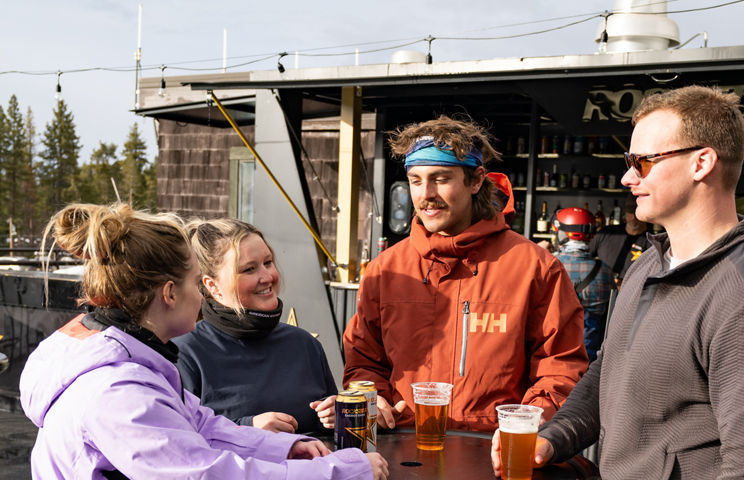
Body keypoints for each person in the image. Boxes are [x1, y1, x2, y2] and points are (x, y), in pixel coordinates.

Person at [493, 86, 744, 478]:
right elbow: (608, 374)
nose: (627, 177)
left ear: (702, 163)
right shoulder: (647, 264)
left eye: (643, 162)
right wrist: (553, 436)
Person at [19, 203, 387, 479]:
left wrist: (287, 447)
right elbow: (206, 474)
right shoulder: (116, 391)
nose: (203, 297)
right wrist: (345, 471)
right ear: (168, 293)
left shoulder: (133, 360)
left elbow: (202, 426)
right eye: (198, 284)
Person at [343, 115, 588, 433]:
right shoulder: (385, 269)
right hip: (400, 445)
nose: (425, 194)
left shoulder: (535, 268)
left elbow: (560, 368)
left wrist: (525, 426)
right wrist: (374, 397)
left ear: (475, 181)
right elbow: (363, 360)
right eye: (415, 180)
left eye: (440, 178)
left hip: (492, 452)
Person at [173, 218, 338, 433]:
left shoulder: (305, 345)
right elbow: (177, 443)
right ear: (212, 286)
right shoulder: (184, 355)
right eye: (249, 269)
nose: (267, 276)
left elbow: (329, 436)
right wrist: (246, 429)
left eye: (268, 263)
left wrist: (338, 416)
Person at [549, 207, 614, 363]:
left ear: (562, 233)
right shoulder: (605, 271)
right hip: (589, 356)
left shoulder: (546, 265)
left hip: (552, 354)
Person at [587, 194, 650, 284]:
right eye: (630, 212)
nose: (633, 217)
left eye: (636, 212)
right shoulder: (606, 233)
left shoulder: (652, 241)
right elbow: (585, 258)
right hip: (602, 290)